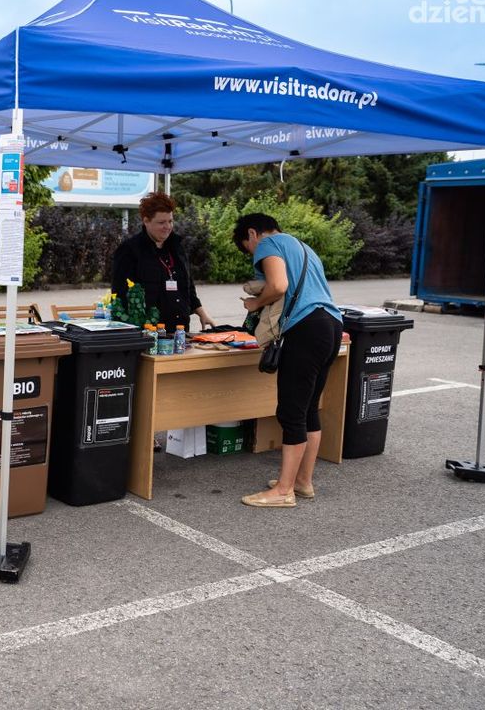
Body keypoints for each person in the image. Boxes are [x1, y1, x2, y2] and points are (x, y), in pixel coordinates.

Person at [233, 213, 343, 508]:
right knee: (308, 408)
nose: (254, 255)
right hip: (331, 326)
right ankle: (302, 482)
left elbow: (278, 285)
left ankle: (283, 491)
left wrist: (255, 303)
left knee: (291, 411)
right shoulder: (304, 248)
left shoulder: (270, 244)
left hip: (305, 329)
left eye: (248, 248)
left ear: (253, 234)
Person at [110, 192, 215, 332]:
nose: (168, 227)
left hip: (180, 330)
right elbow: (119, 296)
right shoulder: (129, 250)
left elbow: (187, 285)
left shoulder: (177, 246)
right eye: (161, 222)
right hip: (149, 333)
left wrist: (201, 313)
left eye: (170, 221)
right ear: (146, 221)